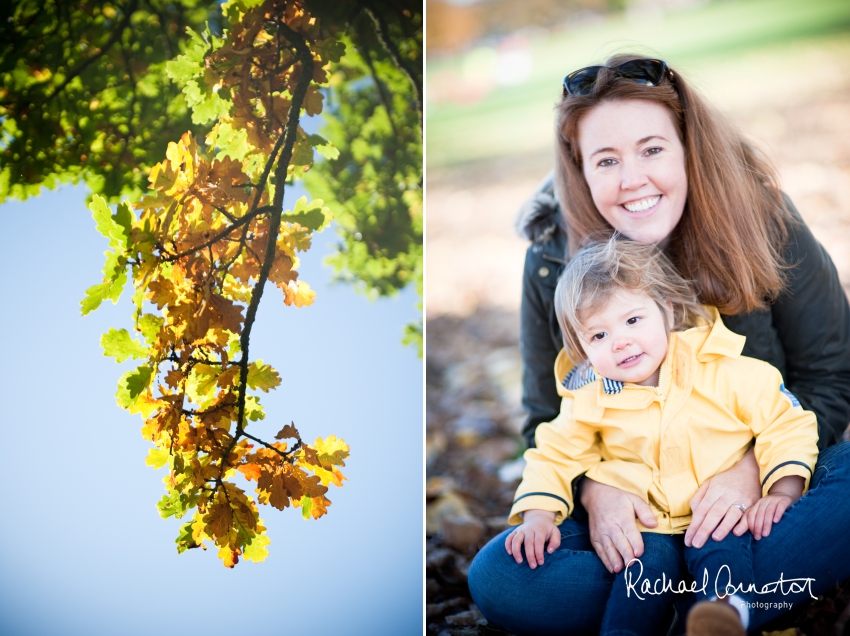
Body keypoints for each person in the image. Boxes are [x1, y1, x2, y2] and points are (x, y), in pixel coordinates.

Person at [468, 55, 850, 635]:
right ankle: (717, 597)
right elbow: (549, 422)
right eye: (606, 160)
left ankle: (691, 604)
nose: (632, 180)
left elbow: (831, 378)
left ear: (687, 147)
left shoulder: (762, 216)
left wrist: (755, 472)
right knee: (502, 577)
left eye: (651, 149)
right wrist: (598, 494)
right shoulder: (552, 256)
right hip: (641, 514)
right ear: (581, 170)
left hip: (760, 492)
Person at [506, 237, 819, 636]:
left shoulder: (723, 370)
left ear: (666, 311)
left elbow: (787, 422)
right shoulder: (590, 398)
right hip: (645, 524)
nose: (620, 342)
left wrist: (782, 491)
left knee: (722, 551)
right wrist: (537, 516)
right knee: (635, 573)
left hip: (715, 510)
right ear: (581, 348)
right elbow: (553, 454)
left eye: (633, 320)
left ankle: (722, 617)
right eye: (598, 336)